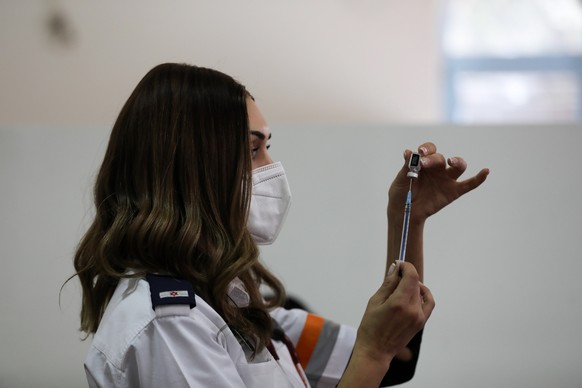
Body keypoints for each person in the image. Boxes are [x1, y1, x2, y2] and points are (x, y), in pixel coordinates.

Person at [73, 63, 489, 387]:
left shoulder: (246, 310)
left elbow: (399, 361)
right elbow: (380, 355)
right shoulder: (168, 324)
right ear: (192, 168)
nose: (273, 170)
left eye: (268, 147)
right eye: (253, 150)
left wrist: (406, 220)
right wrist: (372, 353)